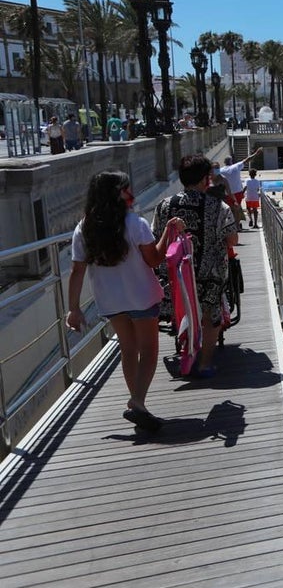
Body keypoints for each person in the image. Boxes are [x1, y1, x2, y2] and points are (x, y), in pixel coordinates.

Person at [66, 171, 185, 431]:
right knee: (150, 349)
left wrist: (73, 308)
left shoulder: (83, 228)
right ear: (117, 193)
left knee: (128, 349)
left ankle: (139, 403)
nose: (130, 193)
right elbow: (154, 259)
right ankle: (138, 401)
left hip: (110, 300)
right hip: (141, 295)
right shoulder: (135, 223)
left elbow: (77, 271)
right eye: (126, 188)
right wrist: (168, 231)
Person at [152, 154, 239, 378]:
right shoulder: (217, 206)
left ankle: (185, 348)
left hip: (174, 277)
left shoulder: (164, 206)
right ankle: (205, 363)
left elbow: (156, 237)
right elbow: (232, 240)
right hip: (209, 274)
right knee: (210, 313)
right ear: (204, 179)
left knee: (183, 304)